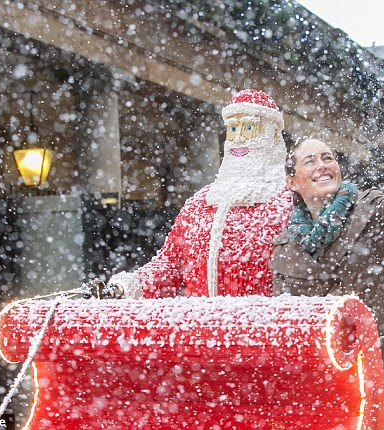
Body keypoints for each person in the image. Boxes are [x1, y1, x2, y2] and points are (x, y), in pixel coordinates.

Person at [270, 86, 384, 428]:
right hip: (320, 379)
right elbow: (286, 324)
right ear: (292, 182)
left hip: (381, 370)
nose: (324, 166)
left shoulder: (373, 210)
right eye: (311, 161)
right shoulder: (285, 247)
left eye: (329, 158)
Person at [93, 89, 293, 299]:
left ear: (271, 134)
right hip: (200, 328)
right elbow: (170, 267)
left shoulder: (289, 203)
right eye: (233, 129)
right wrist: (127, 287)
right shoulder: (199, 205)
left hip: (261, 327)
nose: (239, 139)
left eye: (250, 127)